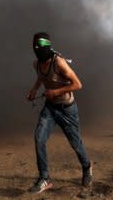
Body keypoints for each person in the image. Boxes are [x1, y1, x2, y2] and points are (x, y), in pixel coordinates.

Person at [26, 32, 92, 193]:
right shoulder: (36, 64)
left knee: (76, 144)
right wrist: (34, 90)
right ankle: (45, 178)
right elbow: (41, 77)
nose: (36, 49)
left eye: (39, 46)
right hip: (50, 108)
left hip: (67, 109)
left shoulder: (59, 63)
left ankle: (87, 167)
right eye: (34, 46)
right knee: (39, 138)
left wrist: (55, 92)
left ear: (46, 46)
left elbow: (77, 84)